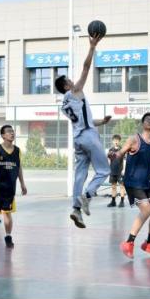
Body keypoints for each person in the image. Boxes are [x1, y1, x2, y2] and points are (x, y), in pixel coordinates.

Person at [57, 34, 112, 227]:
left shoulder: (64, 104)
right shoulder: (74, 91)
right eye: (69, 80)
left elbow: (84, 121)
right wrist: (92, 47)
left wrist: (102, 122)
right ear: (66, 85)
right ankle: (87, 196)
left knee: (80, 175)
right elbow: (86, 67)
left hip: (79, 139)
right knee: (104, 170)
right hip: (89, 136)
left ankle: (76, 210)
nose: (73, 81)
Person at [113, 112, 150, 259]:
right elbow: (120, 153)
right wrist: (115, 159)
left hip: (145, 183)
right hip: (132, 182)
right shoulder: (134, 139)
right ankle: (129, 242)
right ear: (143, 123)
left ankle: (149, 243)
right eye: (147, 119)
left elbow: (149, 158)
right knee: (146, 209)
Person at [0, 124, 27, 248]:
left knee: (7, 213)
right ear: (3, 135)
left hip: (10, 188)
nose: (12, 133)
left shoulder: (17, 151)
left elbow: (19, 168)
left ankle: (8, 236)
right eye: (8, 132)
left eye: (12, 131)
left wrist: (22, 184)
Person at [106, 134, 126, 207]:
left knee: (121, 186)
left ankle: (122, 202)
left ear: (119, 141)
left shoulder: (122, 149)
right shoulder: (110, 150)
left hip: (120, 172)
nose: (116, 142)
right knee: (113, 187)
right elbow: (109, 160)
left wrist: (123, 170)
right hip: (112, 171)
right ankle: (113, 202)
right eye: (114, 140)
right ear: (112, 141)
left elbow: (124, 160)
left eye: (117, 140)